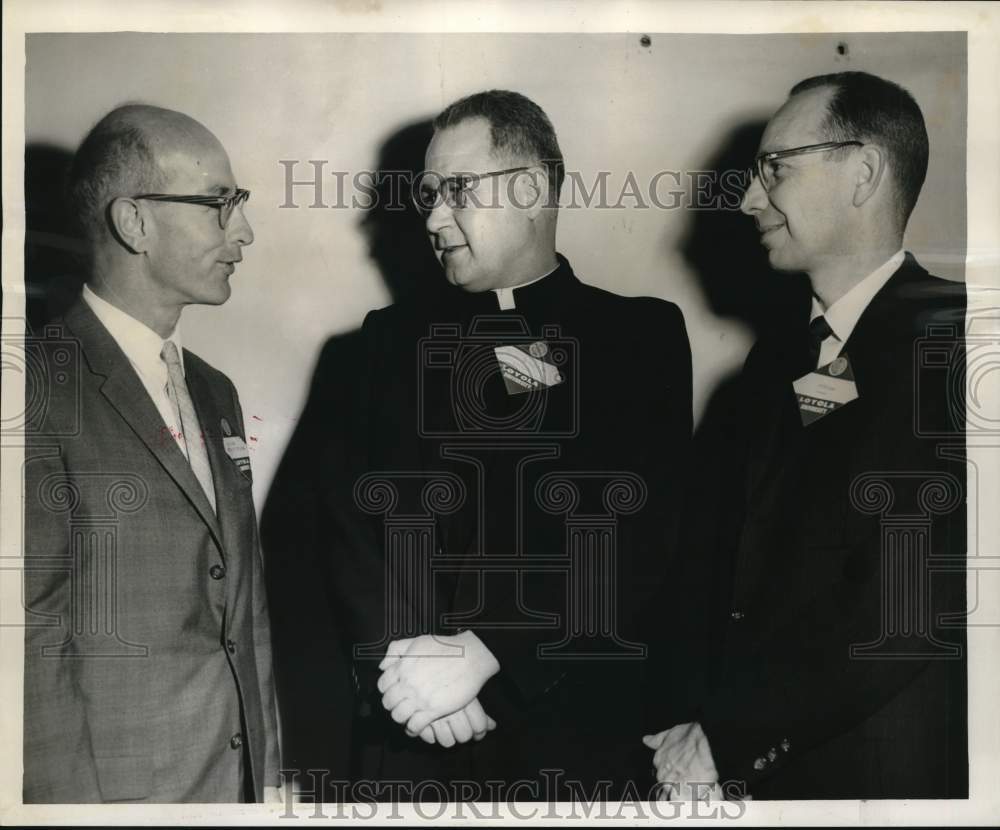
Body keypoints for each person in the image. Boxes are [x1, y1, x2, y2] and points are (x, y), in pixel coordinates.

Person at [310, 89, 692, 800]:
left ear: (533, 188)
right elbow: (343, 530)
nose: (431, 217)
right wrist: (409, 685)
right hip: (410, 736)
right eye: (427, 195)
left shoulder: (639, 337)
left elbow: (639, 532)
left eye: (456, 190)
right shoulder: (380, 345)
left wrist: (491, 656)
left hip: (572, 738)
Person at [646, 71, 967, 800]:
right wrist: (683, 731)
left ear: (863, 173)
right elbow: (707, 577)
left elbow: (910, 602)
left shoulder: (963, 343)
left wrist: (727, 738)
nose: (749, 199)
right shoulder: (769, 369)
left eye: (775, 170)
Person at [22, 104, 280, 803]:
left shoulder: (214, 390)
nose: (244, 231)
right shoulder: (33, 388)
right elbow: (27, 649)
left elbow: (245, 613)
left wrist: (272, 789)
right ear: (133, 222)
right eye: (218, 205)